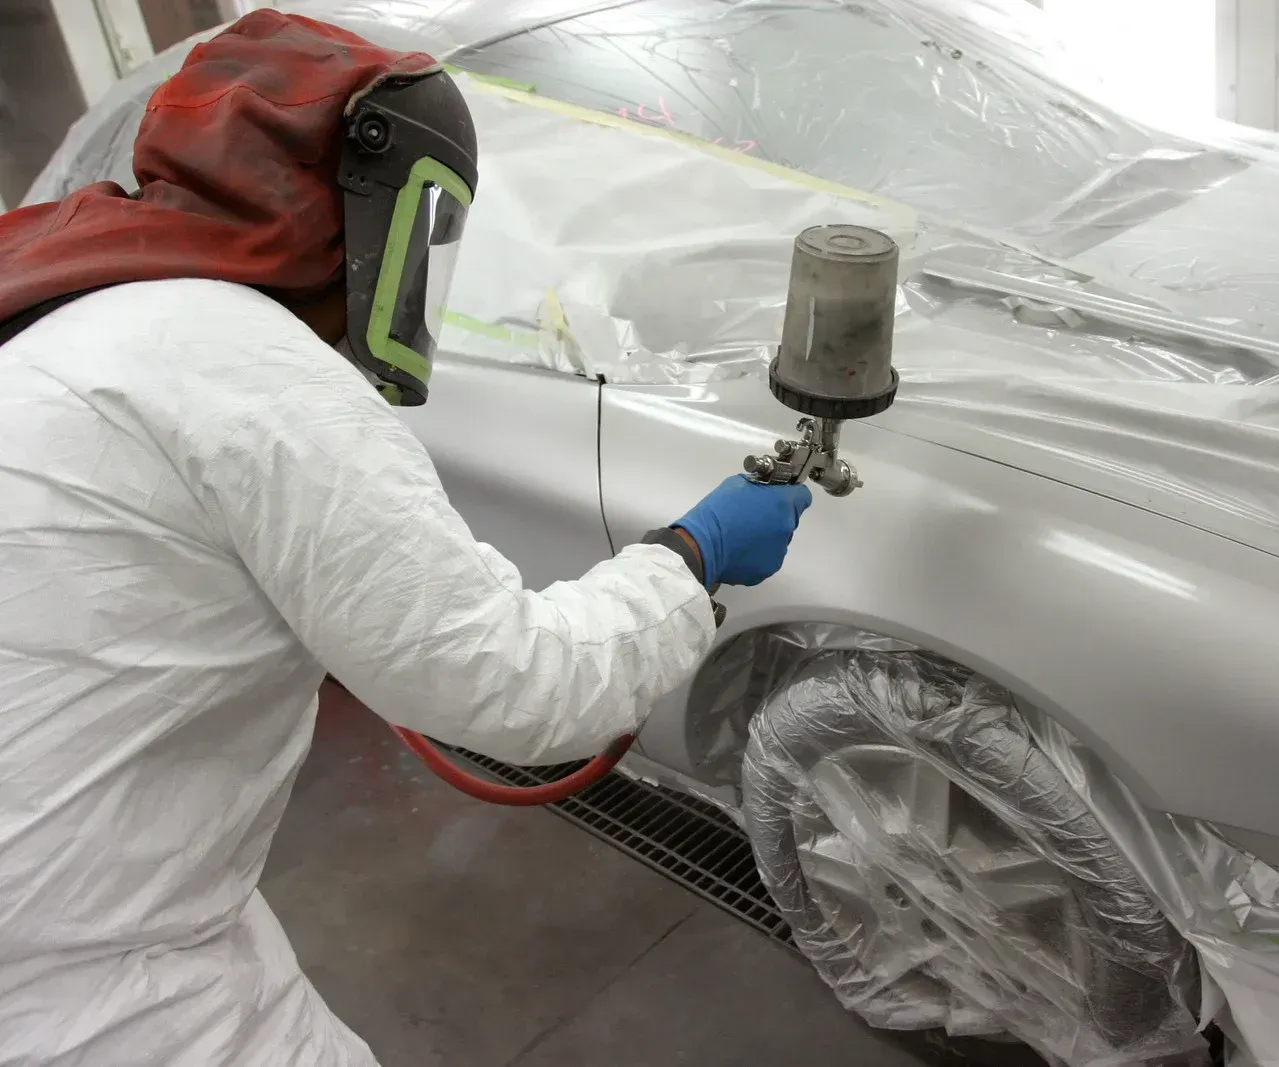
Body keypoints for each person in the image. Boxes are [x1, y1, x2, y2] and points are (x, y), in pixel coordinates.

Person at [0, 11, 811, 1066]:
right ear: (360, 205)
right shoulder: (251, 371)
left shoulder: (82, 310)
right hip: (78, 979)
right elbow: (516, 686)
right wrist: (694, 556)